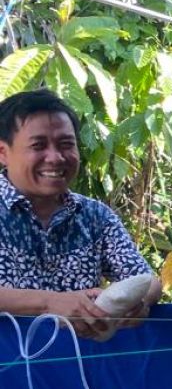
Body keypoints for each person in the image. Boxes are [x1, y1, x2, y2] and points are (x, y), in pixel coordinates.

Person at [0, 88, 161, 338]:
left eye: (66, 144)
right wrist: (48, 302)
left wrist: (138, 302)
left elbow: (146, 280)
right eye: (38, 145)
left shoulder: (96, 217)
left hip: (78, 372)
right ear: (3, 152)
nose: (55, 157)